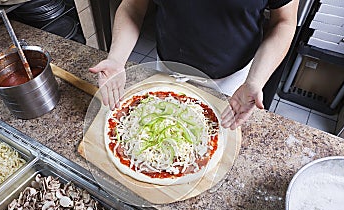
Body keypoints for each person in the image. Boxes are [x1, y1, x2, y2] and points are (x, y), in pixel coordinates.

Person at [89, 0, 299, 130]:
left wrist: (256, 80)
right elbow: (133, 5)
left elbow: (284, 22)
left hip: (234, 86)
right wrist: (117, 58)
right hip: (167, 70)